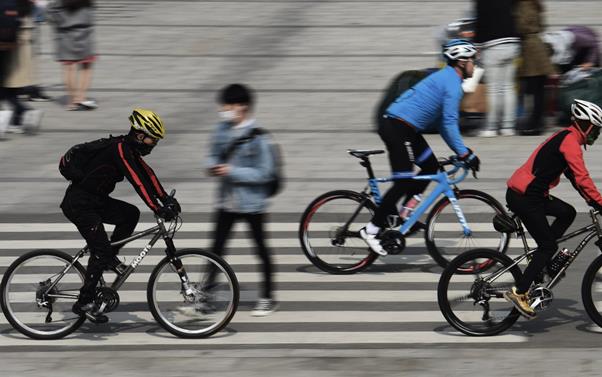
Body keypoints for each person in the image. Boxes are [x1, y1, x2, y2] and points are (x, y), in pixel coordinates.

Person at [360, 40, 481, 256]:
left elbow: (445, 125)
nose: (475, 65)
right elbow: (450, 123)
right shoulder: (452, 84)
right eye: (473, 60)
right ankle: (371, 229)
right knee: (404, 178)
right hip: (396, 126)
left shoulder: (450, 79)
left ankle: (405, 215)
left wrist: (461, 152)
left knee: (432, 170)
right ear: (461, 62)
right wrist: (464, 153)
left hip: (408, 129)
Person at [62, 109, 180, 323]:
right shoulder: (119, 149)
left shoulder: (129, 149)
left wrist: (166, 199)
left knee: (129, 215)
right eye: (153, 139)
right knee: (100, 249)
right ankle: (84, 302)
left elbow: (148, 174)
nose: (154, 144)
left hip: (95, 201)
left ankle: (108, 258)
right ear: (140, 135)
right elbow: (137, 180)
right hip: (79, 204)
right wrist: (156, 207)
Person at [504, 99, 602, 318]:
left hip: (532, 195)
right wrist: (599, 202)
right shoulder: (570, 142)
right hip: (525, 197)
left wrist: (591, 200)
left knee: (568, 213)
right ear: (585, 124)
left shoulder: (566, 137)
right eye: (595, 130)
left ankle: (545, 261)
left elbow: (576, 180)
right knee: (547, 246)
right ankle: (520, 292)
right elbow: (583, 178)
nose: (596, 135)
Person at [205, 83, 277, 316]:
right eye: (224, 105)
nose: (224, 109)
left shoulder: (259, 138)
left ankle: (267, 297)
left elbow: (264, 173)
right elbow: (212, 155)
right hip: (226, 202)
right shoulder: (221, 130)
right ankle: (205, 295)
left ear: (242, 107)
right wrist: (212, 166)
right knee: (216, 250)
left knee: (260, 249)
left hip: (252, 204)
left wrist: (231, 171)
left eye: (228, 105)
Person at [474, 0, 521, 137]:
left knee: (493, 89)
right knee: (508, 87)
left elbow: (481, 22)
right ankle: (508, 127)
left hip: (493, 45)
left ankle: (491, 128)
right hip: (512, 43)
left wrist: (477, 45)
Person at [515, 0, 556, 136]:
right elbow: (541, 25)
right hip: (537, 46)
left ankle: (535, 124)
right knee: (538, 89)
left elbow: (522, 26)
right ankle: (537, 122)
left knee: (535, 89)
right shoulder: (534, 4)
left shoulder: (524, 4)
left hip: (531, 49)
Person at [47, 0, 96, 110]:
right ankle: (81, 97)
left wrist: (62, 22)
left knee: (69, 68)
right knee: (86, 66)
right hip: (84, 35)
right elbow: (91, 15)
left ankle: (72, 101)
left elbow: (50, 14)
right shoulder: (86, 3)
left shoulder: (58, 3)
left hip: (65, 36)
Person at [2, 0, 43, 133]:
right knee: (9, 92)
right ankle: (18, 119)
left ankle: (25, 112)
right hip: (18, 50)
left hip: (9, 51)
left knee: (5, 91)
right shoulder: (24, 5)